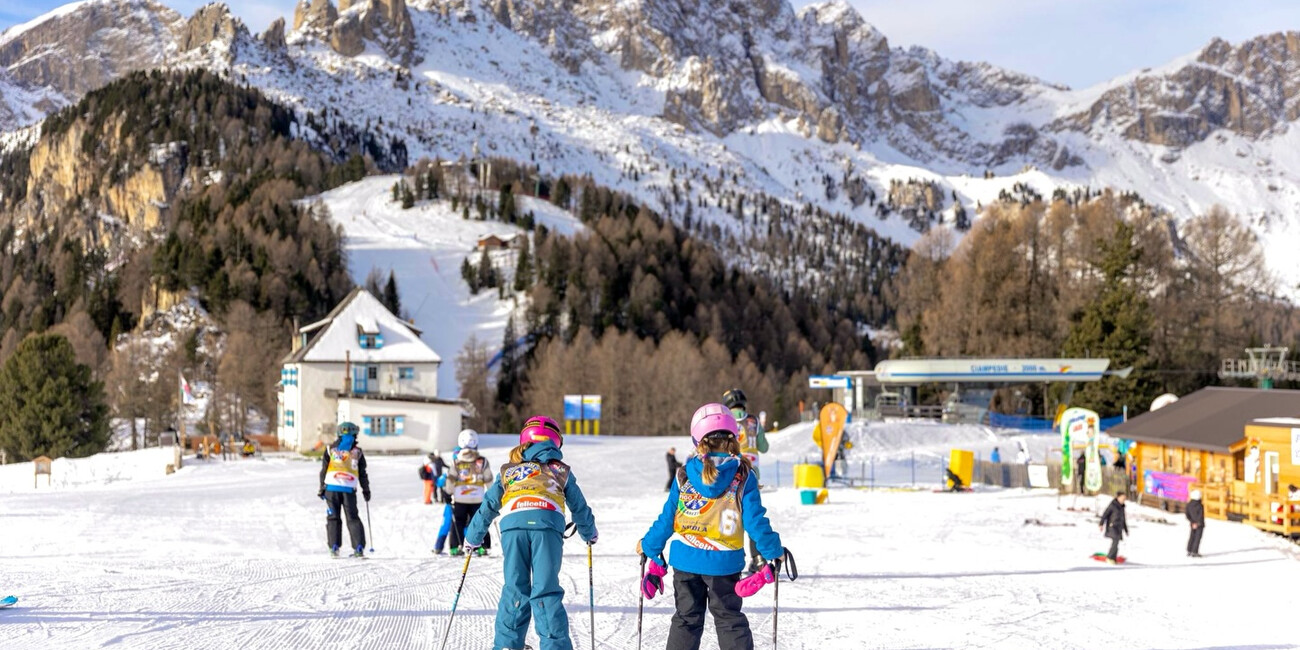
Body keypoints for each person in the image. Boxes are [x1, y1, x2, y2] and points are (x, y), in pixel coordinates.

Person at [638, 403, 786, 650]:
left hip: (686, 561)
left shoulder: (684, 474)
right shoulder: (743, 475)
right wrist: (773, 551)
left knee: (686, 620)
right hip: (724, 563)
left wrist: (649, 545)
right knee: (729, 620)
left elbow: (668, 517)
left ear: (697, 440)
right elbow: (755, 521)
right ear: (733, 436)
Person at [463, 416, 598, 650]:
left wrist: (472, 537)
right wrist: (589, 533)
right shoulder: (560, 469)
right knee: (545, 589)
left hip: (513, 524)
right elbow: (579, 506)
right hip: (547, 525)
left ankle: (507, 644)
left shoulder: (510, 470)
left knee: (515, 587)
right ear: (555, 442)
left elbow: (489, 505)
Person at [723, 388, 770, 575]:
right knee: (752, 514)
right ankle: (758, 559)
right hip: (752, 473)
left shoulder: (725, 419)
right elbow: (764, 447)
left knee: (729, 513)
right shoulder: (754, 421)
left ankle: (730, 558)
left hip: (731, 471)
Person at [317, 422, 370, 557]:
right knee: (352, 517)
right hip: (349, 489)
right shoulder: (357, 452)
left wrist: (321, 488)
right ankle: (358, 547)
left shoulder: (330, 449)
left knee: (333, 517)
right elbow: (362, 473)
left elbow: (324, 470)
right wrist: (366, 490)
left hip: (331, 488)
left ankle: (334, 547)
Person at [446, 428, 493, 556]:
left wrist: (448, 492)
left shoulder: (456, 461)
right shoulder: (482, 461)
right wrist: (492, 492)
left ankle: (455, 547)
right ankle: (483, 546)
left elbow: (451, 478)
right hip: (477, 497)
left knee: (458, 521)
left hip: (460, 497)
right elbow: (488, 478)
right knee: (479, 522)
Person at [1099, 491, 1128, 564]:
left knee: (1116, 543)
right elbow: (1105, 514)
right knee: (1115, 542)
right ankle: (1109, 557)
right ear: (1118, 497)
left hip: (1119, 527)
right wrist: (1101, 524)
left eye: (1124, 499)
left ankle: (1113, 558)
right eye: (1122, 498)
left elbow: (1123, 519)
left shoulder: (1122, 507)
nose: (1123, 500)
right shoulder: (1113, 505)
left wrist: (1126, 530)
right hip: (1112, 526)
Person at [1186, 489, 1205, 558]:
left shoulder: (1189, 505)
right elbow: (1200, 515)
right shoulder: (1199, 505)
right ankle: (1194, 551)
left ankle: (1189, 549)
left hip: (1192, 523)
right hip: (1199, 524)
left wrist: (1192, 522)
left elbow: (1187, 514)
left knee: (1192, 536)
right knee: (1197, 538)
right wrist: (1198, 523)